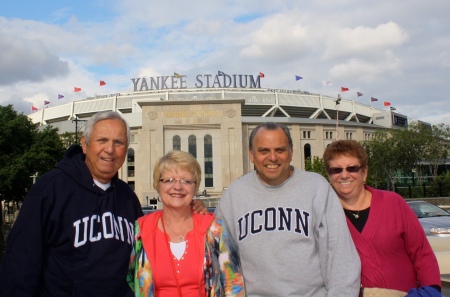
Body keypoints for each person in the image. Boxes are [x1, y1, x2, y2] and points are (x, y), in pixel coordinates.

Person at [0, 111, 206, 297]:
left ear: (126, 149)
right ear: (85, 144)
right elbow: (21, 264)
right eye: (102, 140)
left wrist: (189, 212)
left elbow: (151, 253)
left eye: (118, 142)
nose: (110, 150)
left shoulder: (127, 198)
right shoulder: (50, 189)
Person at [214, 122, 361, 296]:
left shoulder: (317, 188)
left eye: (280, 150)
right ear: (251, 155)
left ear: (291, 153)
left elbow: (340, 260)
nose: (273, 157)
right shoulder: (234, 195)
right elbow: (223, 262)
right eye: (264, 151)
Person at [323, 140, 442, 296]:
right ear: (329, 175)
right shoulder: (324, 213)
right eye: (336, 170)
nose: (344, 175)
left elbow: (422, 253)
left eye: (352, 168)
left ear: (364, 172)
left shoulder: (393, 203)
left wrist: (431, 291)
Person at [127, 150, 245, 297]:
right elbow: (131, 280)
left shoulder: (213, 228)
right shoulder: (141, 229)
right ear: (158, 185)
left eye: (186, 181)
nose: (178, 187)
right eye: (169, 180)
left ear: (195, 187)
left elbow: (233, 284)